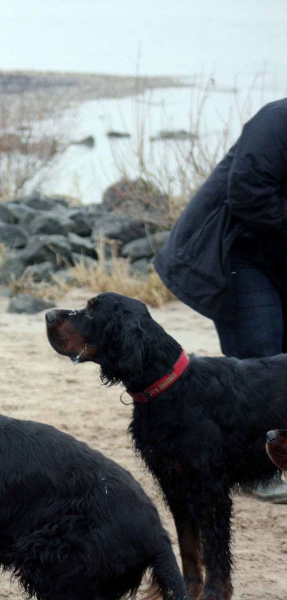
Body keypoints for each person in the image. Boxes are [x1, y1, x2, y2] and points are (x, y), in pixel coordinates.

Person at [153, 97, 287, 502]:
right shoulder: (277, 121)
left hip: (278, 253)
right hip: (234, 251)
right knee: (259, 355)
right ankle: (258, 470)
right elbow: (247, 193)